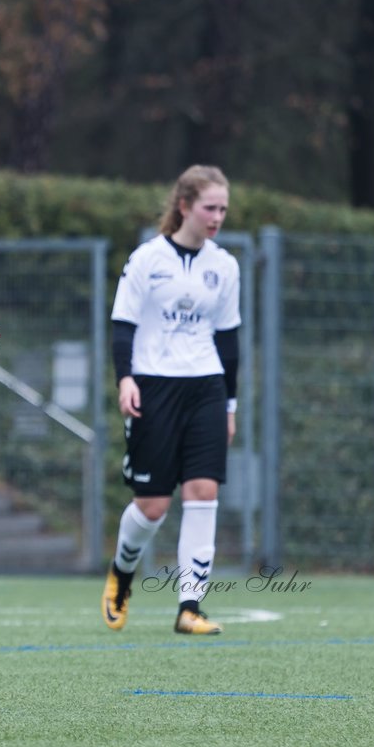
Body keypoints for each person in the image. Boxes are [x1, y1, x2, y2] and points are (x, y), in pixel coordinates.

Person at [102, 165, 240, 636]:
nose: (217, 216)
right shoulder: (146, 260)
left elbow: (229, 340)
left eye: (223, 209)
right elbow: (123, 326)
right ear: (185, 206)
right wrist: (126, 380)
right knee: (153, 505)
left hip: (206, 387)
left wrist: (230, 405)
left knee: (204, 492)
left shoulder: (225, 266)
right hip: (154, 386)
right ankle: (121, 574)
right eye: (209, 207)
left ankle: (190, 606)